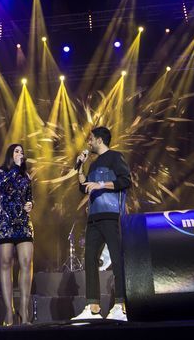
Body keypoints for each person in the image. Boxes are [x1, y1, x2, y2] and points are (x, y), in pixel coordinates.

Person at [71, 127, 131, 322]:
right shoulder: (94, 163)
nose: (88, 143)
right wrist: (80, 167)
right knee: (90, 259)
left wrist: (102, 184)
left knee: (117, 259)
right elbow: (84, 187)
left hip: (111, 216)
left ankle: (120, 305)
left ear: (99, 140)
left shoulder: (115, 157)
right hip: (94, 218)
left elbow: (125, 181)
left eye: (91, 139)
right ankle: (93, 307)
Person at [0, 144, 34, 326]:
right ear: (10, 155)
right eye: (17, 151)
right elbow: (4, 187)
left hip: (23, 222)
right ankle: (9, 312)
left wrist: (30, 204)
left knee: (26, 262)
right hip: (5, 221)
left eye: (22, 152)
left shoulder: (26, 176)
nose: (20, 154)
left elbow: (29, 196)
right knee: (5, 263)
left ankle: (24, 312)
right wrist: (16, 168)